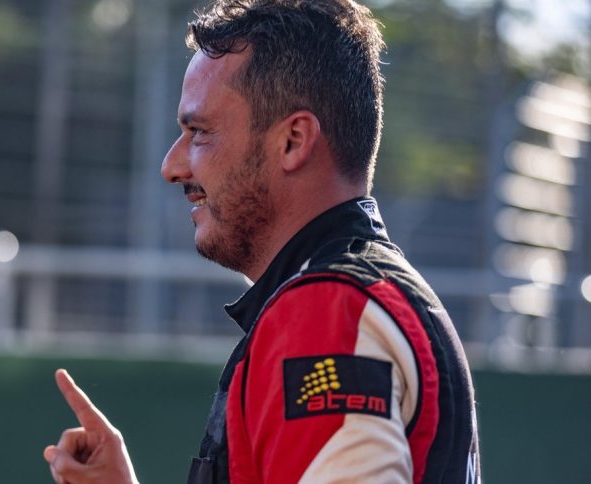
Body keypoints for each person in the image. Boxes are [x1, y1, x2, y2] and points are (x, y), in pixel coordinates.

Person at [43, 0, 481, 482]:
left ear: (293, 140)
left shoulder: (328, 310)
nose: (172, 166)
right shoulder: (370, 293)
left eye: (198, 132)